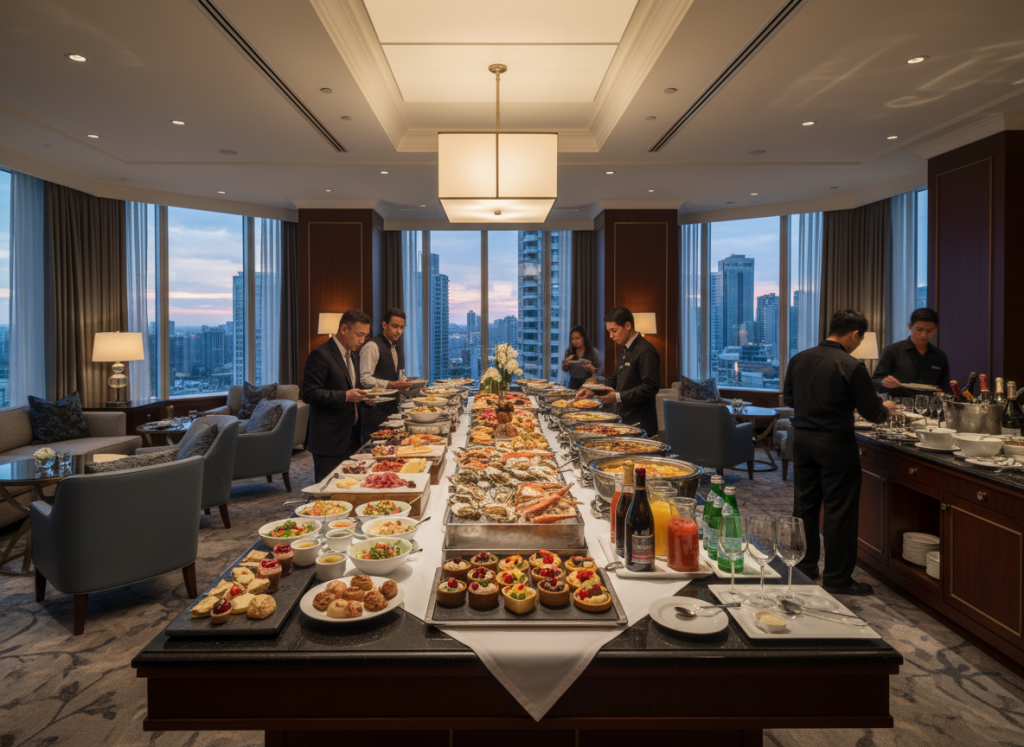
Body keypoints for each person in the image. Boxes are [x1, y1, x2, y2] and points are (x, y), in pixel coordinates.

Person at [784, 309, 898, 596]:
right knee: (839, 512)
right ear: (854, 334)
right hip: (835, 443)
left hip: (802, 439)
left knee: (804, 507)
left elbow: (789, 399)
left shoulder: (799, 358)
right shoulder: (851, 365)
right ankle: (837, 578)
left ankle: (805, 567)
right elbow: (872, 413)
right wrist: (888, 409)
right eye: (859, 340)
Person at [302, 308, 373, 484]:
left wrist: (365, 398)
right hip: (329, 440)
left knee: (351, 487)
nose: (362, 341)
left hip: (352, 435)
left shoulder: (353, 356)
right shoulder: (321, 355)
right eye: (359, 335)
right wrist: (345, 396)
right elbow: (309, 393)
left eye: (365, 336)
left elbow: (352, 389)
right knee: (328, 490)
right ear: (343, 329)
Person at [576, 306, 660, 437]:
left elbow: (651, 387)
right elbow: (614, 380)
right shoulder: (625, 348)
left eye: (614, 331)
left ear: (627, 325)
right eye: (609, 331)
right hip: (624, 420)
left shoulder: (645, 350)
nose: (611, 336)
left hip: (640, 424)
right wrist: (593, 390)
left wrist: (617, 397)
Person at [359, 308, 412, 442]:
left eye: (401, 327)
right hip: (374, 410)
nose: (399, 331)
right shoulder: (372, 346)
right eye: (395, 326)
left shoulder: (397, 346)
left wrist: (403, 384)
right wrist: (391, 384)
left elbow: (397, 374)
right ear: (384, 325)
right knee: (374, 450)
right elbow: (364, 379)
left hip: (393, 409)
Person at [872, 308, 951, 395]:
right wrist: (884, 382)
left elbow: (945, 386)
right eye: (919, 330)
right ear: (910, 326)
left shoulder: (940, 355)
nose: (924, 335)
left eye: (929, 331)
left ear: (935, 329)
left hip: (930, 406)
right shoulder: (892, 351)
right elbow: (875, 381)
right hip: (899, 405)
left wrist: (944, 393)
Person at [561, 325, 602, 390]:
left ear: (584, 338)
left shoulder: (593, 351)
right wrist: (564, 364)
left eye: (577, 338)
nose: (575, 341)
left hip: (589, 383)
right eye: (572, 338)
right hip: (573, 382)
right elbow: (565, 370)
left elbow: (600, 370)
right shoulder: (568, 352)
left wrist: (592, 369)